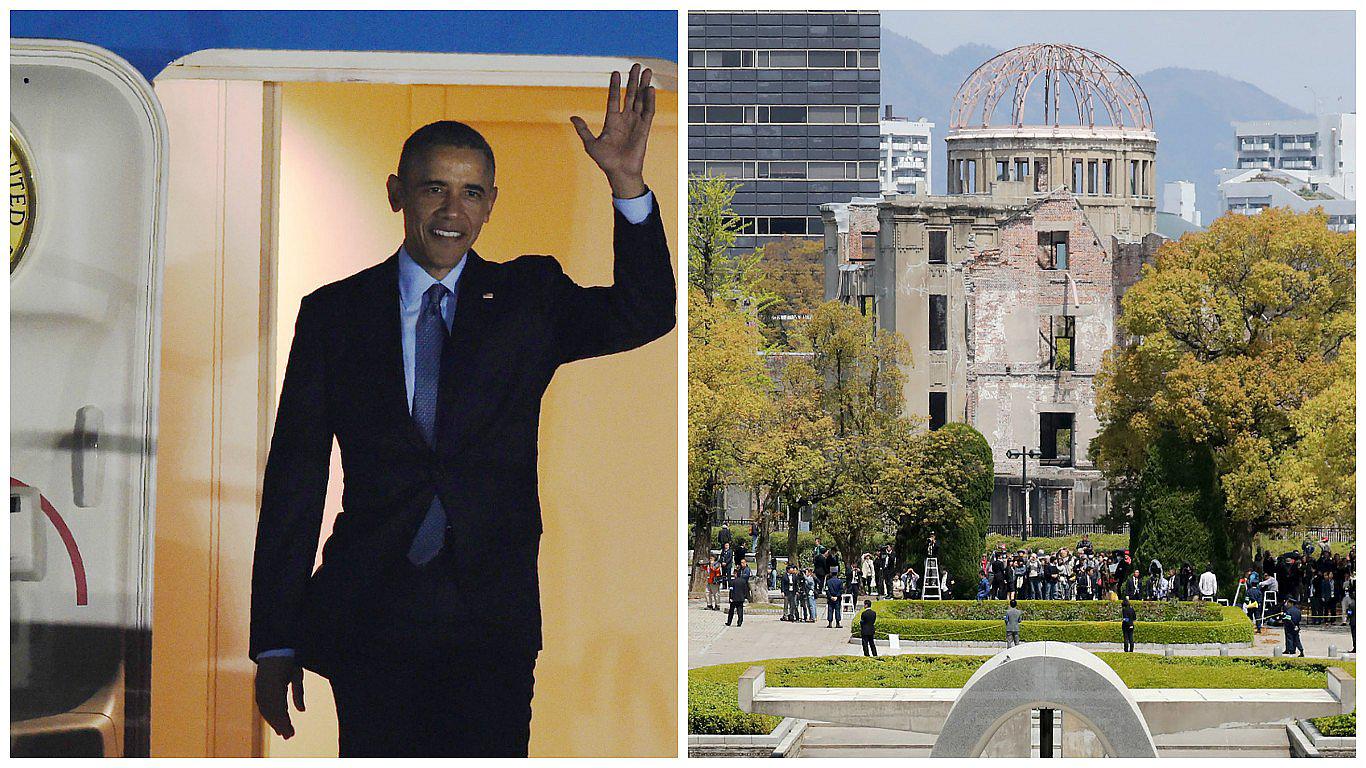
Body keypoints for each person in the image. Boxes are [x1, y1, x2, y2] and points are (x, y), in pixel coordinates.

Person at [248, 65, 671, 758]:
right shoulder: (334, 315)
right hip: (372, 615)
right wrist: (275, 639)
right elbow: (295, 481)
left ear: (492, 203)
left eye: (471, 192)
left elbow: (646, 312)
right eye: (434, 189)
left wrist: (626, 184)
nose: (453, 211)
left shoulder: (528, 299)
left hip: (491, 620)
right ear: (397, 194)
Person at [726, 563, 751, 628]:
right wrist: (746, 597)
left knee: (731, 611)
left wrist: (730, 598)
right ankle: (739, 622)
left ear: (736, 574)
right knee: (740, 611)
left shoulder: (732, 581)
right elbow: (746, 590)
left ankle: (729, 622)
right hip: (741, 598)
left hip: (734, 599)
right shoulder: (743, 581)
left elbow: (731, 590)